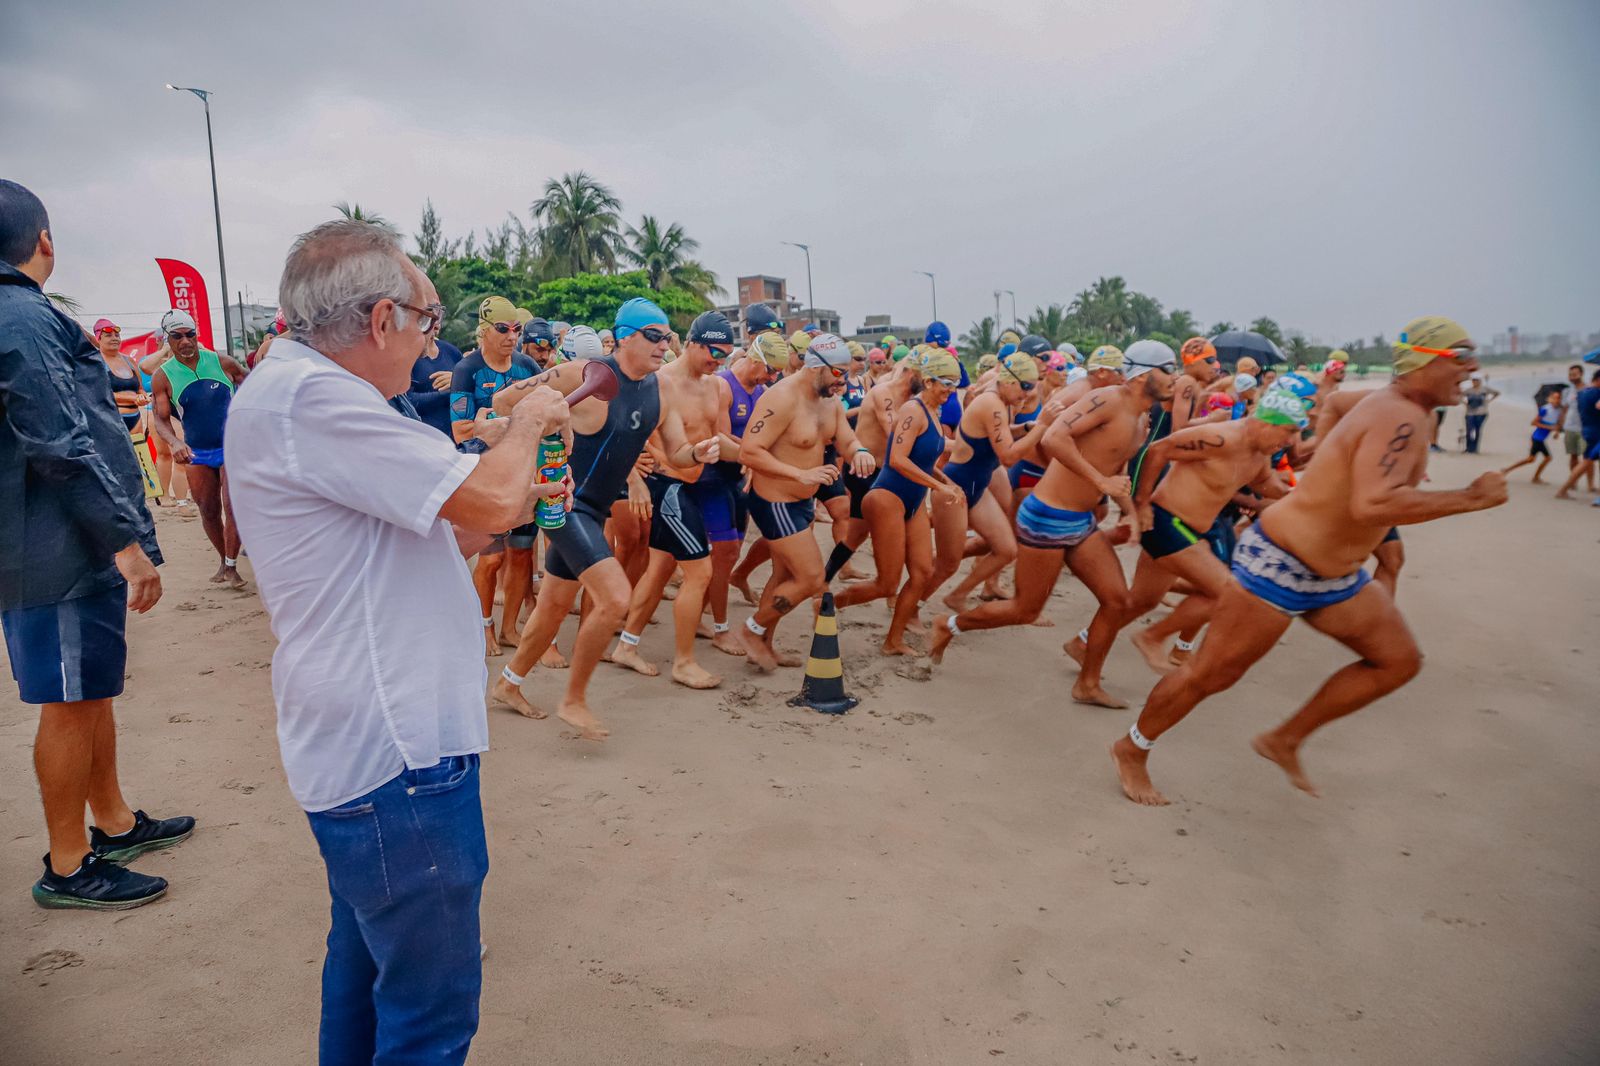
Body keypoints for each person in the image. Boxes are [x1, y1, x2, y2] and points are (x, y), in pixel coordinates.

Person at [227, 218, 572, 1064]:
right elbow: (491, 511)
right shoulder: (320, 402)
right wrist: (527, 424)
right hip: (399, 754)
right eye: (426, 320)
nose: (431, 342)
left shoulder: (308, 394)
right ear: (382, 321)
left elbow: (456, 533)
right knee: (429, 1018)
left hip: (368, 745)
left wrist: (499, 460)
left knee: (365, 981)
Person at [1110, 316, 1509, 807]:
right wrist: (1470, 497)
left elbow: (1336, 404)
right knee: (1209, 676)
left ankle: (1286, 738)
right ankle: (1132, 748)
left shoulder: (1406, 409)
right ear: (1427, 361)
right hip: (1279, 564)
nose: (1473, 367)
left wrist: (1326, 456)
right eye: (1463, 356)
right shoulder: (1398, 415)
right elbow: (1373, 506)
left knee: (1397, 661)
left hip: (1337, 574)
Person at [0, 178, 190, 910]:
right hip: (59, 547)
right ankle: (69, 863)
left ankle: (110, 821)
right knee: (70, 700)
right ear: (44, 239)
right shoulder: (19, 315)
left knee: (92, 688)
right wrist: (124, 542)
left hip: (66, 541)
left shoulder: (23, 312)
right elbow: (58, 444)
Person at [490, 298, 720, 738]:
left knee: (555, 605)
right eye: (653, 335)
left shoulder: (661, 389)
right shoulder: (583, 373)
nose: (662, 345)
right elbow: (504, 401)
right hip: (562, 504)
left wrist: (699, 451)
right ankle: (574, 699)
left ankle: (508, 684)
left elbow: (675, 452)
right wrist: (540, 445)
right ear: (626, 335)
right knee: (615, 598)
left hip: (594, 510)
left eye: (667, 337)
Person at [932, 343, 1179, 707]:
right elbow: (1053, 437)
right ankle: (949, 625)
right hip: (1048, 516)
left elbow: (1117, 468)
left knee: (1117, 601)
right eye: (1168, 370)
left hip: (1080, 521)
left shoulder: (1143, 417)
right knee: (1025, 610)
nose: (1175, 378)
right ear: (1143, 375)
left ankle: (1087, 683)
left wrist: (1130, 510)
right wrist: (1101, 484)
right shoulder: (1108, 400)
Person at [1070, 388, 1303, 678]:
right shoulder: (1221, 437)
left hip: (1190, 530)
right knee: (1228, 593)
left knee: (1142, 601)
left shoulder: (1258, 454)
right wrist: (1140, 504)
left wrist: (1306, 499)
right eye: (1289, 431)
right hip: (1167, 522)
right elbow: (1159, 449)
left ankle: (1083, 646)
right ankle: (1152, 637)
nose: (1292, 441)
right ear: (1267, 422)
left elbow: (1266, 485)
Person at [606, 311, 741, 688]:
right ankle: (683, 663)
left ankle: (627, 645)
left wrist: (759, 457)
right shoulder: (658, 382)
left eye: (726, 355)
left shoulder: (716, 386)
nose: (720, 360)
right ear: (694, 342)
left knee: (661, 567)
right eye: (715, 351)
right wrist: (635, 469)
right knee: (700, 572)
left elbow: (720, 438)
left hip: (695, 482)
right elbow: (625, 432)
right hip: (668, 486)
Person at [735, 333, 876, 669]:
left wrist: (860, 452)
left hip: (802, 503)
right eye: (840, 373)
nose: (845, 381)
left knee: (784, 578)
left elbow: (847, 439)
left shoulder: (830, 401)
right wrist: (799, 475)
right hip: (775, 501)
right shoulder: (780, 398)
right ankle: (752, 630)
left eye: (849, 373)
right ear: (816, 368)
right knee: (812, 578)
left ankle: (765, 646)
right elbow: (749, 451)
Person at [833, 350, 964, 655]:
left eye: (955, 384)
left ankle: (893, 641)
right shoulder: (912, 411)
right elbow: (897, 459)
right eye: (945, 382)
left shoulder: (935, 411)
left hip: (912, 500)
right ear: (928, 380)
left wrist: (947, 482)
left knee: (922, 574)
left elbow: (924, 457)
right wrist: (936, 486)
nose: (950, 390)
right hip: (887, 497)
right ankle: (828, 603)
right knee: (886, 585)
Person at [930, 353, 1061, 612]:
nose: (1027, 394)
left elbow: (997, 434)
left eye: (1033, 386)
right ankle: (909, 605)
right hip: (957, 488)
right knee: (947, 564)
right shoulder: (991, 403)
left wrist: (1026, 428)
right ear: (1009, 381)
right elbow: (1009, 457)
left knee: (1005, 549)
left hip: (977, 487)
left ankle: (957, 595)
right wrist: (1041, 427)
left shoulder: (1000, 401)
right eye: (1025, 386)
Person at [450, 296, 540, 653]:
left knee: (521, 554)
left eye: (516, 329)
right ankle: (483, 625)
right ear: (485, 332)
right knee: (491, 559)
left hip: (522, 471)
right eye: (503, 329)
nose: (511, 337)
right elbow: (461, 432)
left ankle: (509, 627)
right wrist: (513, 425)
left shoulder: (527, 365)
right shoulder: (467, 369)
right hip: (485, 473)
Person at [149, 307, 249, 589]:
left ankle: (231, 565)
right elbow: (160, 417)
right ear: (167, 339)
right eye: (177, 336)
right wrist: (175, 441)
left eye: (190, 334)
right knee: (207, 508)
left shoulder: (222, 362)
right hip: (197, 451)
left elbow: (252, 385)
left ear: (197, 334)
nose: (185, 341)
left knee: (234, 505)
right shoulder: (163, 376)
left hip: (231, 446)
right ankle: (223, 559)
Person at [705, 332, 782, 653]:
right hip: (715, 479)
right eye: (770, 370)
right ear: (754, 359)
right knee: (721, 553)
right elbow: (721, 435)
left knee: (732, 550)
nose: (773, 377)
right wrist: (754, 456)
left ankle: (701, 612)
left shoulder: (762, 390)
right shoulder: (723, 385)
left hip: (742, 480)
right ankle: (720, 628)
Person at [93, 318, 148, 435]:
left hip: (135, 418)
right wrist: (133, 398)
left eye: (117, 335)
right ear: (98, 339)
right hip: (109, 420)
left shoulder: (129, 361)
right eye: (108, 335)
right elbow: (99, 394)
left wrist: (143, 397)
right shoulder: (95, 362)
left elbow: (140, 389)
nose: (114, 338)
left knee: (138, 453)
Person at [1499, 386, 1564, 484]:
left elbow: (1557, 424)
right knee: (1546, 458)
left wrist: (1557, 432)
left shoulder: (1559, 411)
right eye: (1555, 398)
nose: (1557, 400)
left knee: (1530, 459)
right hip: (1537, 437)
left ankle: (1507, 470)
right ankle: (1535, 477)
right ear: (1550, 398)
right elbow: (1533, 423)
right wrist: (1549, 428)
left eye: (1559, 398)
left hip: (1541, 438)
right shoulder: (1545, 409)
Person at [1554, 368, 1600, 501]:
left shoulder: (1582, 393)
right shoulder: (1596, 394)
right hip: (1595, 433)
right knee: (1585, 462)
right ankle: (1563, 490)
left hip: (1586, 430)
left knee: (1585, 461)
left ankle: (1565, 489)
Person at [406, 332, 463, 437]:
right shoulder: (407, 354)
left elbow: (473, 390)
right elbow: (404, 401)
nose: (436, 324)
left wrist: (459, 380)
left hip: (457, 438)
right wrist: (450, 394)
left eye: (439, 318)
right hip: (423, 438)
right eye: (431, 319)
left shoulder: (451, 351)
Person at [1461, 375, 1499, 454]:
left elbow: (1497, 393)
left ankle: (1475, 448)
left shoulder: (1484, 389)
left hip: (1481, 413)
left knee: (1477, 430)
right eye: (1474, 380)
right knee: (1469, 430)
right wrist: (1465, 403)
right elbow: (1459, 396)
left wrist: (1489, 400)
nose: (1475, 382)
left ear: (1480, 381)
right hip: (1470, 412)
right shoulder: (1469, 390)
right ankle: (1468, 448)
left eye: (1477, 380)